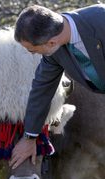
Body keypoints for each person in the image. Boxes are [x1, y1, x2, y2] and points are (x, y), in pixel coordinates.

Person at [9, 4, 105, 169]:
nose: (33, 54)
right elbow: (42, 89)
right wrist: (29, 138)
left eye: (33, 50)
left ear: (51, 42)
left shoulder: (101, 19)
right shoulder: (54, 50)